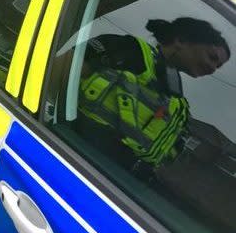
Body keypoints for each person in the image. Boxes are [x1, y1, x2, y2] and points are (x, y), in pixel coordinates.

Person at [77, 17, 230, 175]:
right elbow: (59, 70)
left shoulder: (176, 99)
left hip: (109, 177)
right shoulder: (128, 50)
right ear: (181, 41)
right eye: (212, 57)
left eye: (218, 66)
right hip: (73, 154)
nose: (213, 68)